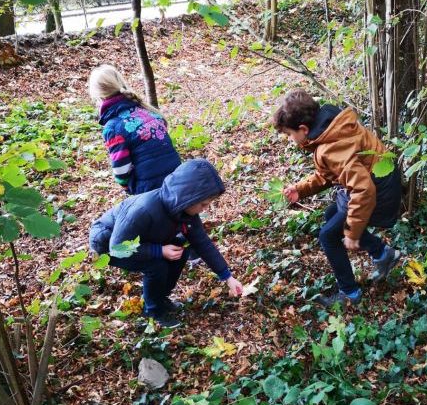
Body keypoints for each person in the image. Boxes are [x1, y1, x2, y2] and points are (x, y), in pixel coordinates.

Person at [272, 89, 401, 307]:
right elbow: (329, 173)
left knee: (328, 236)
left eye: (289, 134)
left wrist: (353, 231)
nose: (290, 139)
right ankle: (382, 254)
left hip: (379, 191)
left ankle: (349, 293)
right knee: (331, 213)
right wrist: (300, 189)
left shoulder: (329, 144)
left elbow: (363, 190)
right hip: (382, 182)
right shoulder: (330, 127)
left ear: (303, 129)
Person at [89, 158, 243, 327]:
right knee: (156, 265)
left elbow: (202, 242)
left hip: (144, 240)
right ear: (188, 196)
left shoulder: (185, 212)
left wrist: (227, 277)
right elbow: (118, 247)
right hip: (108, 245)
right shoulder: (144, 209)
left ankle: (159, 297)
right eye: (203, 204)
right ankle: (153, 311)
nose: (205, 209)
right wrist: (159, 251)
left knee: (180, 252)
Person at [88, 64, 182, 195]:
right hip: (179, 180)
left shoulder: (113, 128)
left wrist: (131, 189)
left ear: (99, 96)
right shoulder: (148, 112)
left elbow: (121, 171)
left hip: (151, 191)